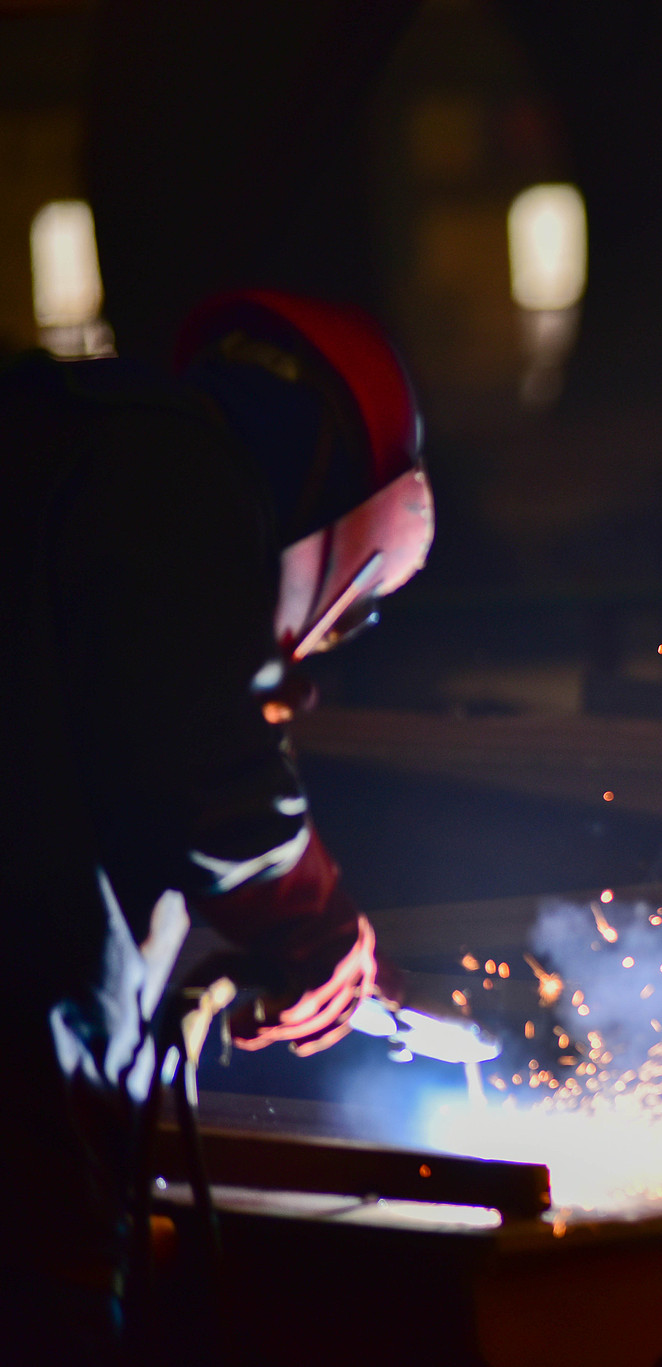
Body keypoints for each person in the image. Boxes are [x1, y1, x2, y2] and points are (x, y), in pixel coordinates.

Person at [0, 290, 433, 1357]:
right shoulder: (169, 466)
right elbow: (206, 774)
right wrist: (317, 922)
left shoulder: (63, 454)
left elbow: (99, 782)